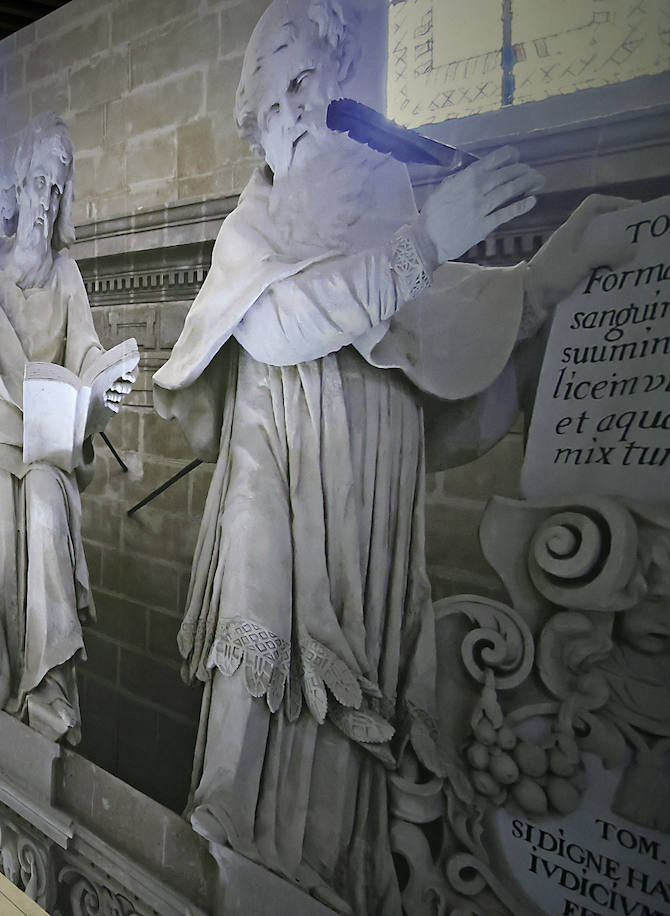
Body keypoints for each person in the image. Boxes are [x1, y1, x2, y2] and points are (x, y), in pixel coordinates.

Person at [151, 0, 628, 910]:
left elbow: (434, 321)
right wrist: (426, 245)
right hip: (273, 457)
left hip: (364, 465)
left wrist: (545, 277)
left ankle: (323, 872)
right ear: (253, 111)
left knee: (349, 667)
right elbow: (282, 323)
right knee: (256, 617)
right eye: (271, 93)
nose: (291, 106)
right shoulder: (249, 225)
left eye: (305, 79)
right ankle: (233, 836)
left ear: (334, 80)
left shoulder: (380, 187)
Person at [0, 112, 133, 742]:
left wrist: (102, 382)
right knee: (2, 551)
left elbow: (87, 353)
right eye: (39, 183)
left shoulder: (67, 277)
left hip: (46, 451)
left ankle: (47, 691)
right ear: (18, 186)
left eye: (58, 188)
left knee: (46, 511)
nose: (47, 200)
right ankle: (5, 681)